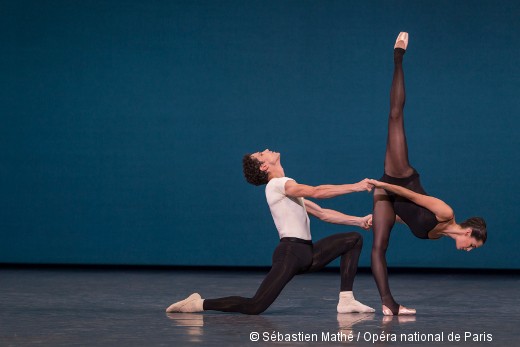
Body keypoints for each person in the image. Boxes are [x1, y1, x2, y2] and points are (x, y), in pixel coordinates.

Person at [166, 149, 375, 315]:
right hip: (290, 254)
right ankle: (198, 303)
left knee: (353, 239)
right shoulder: (278, 184)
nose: (266, 149)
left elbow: (322, 213)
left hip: (306, 253)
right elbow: (317, 192)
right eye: (261, 153)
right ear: (265, 166)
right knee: (255, 306)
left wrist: (359, 221)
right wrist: (356, 186)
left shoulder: (286, 191)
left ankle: (346, 300)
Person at [366, 32, 487, 316]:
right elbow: (411, 195)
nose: (469, 249)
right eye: (473, 245)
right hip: (400, 179)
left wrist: (385, 214)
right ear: (468, 232)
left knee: (379, 246)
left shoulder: (435, 236)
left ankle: (388, 304)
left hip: (389, 197)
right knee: (396, 115)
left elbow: (406, 214)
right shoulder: (445, 212)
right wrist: (381, 184)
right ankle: (398, 56)